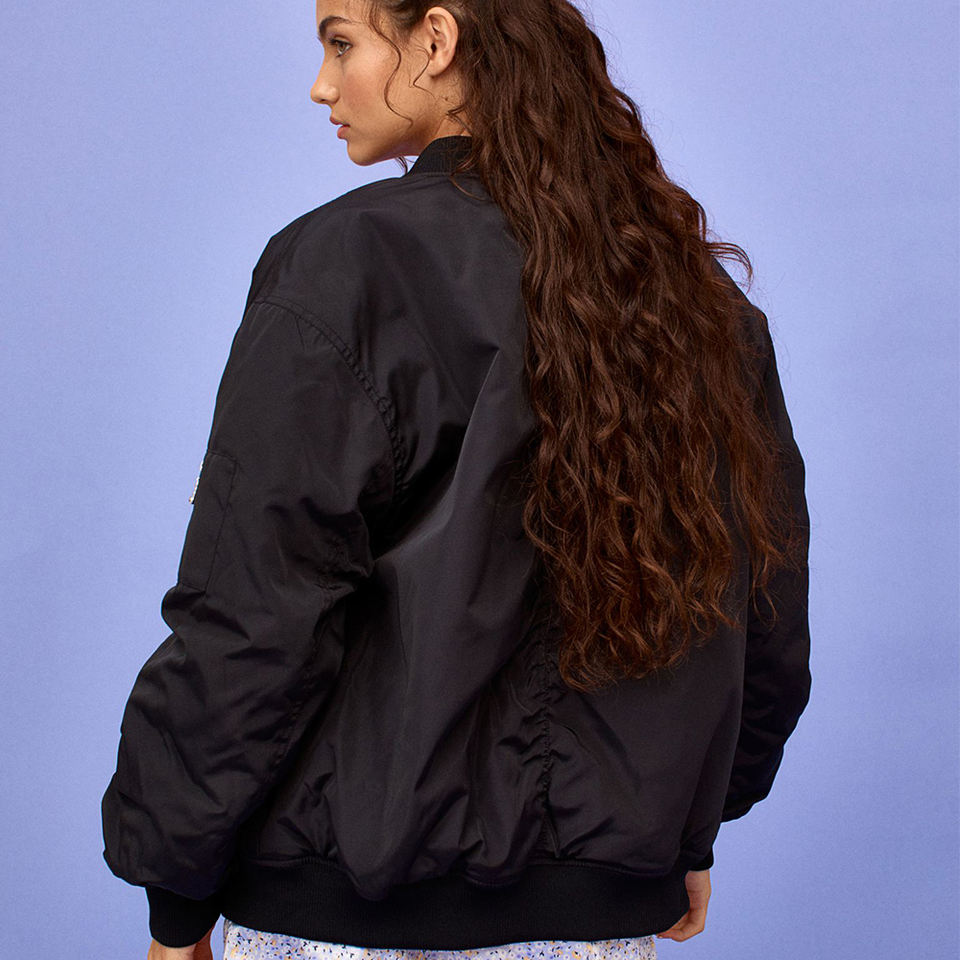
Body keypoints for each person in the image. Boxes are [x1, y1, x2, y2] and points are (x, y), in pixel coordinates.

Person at [100, 1, 812, 958]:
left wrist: (176, 889)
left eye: (342, 42)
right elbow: (762, 610)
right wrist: (678, 827)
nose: (321, 84)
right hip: (597, 924)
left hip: (342, 917)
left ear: (436, 40)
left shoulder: (343, 265)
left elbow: (254, 614)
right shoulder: (688, 297)